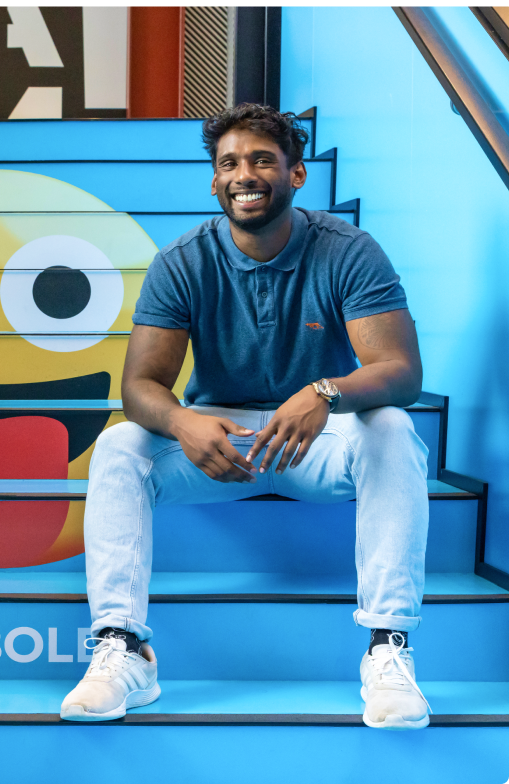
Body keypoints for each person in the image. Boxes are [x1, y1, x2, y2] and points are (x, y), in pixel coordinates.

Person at [60, 104, 431, 730]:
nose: (244, 174)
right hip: (224, 443)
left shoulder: (348, 250)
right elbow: (140, 387)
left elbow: (401, 372)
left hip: (318, 439)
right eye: (229, 162)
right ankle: (124, 648)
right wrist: (181, 422)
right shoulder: (184, 260)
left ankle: (386, 649)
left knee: (393, 427)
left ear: (297, 175)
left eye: (262, 160)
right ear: (213, 180)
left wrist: (326, 393)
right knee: (122, 444)